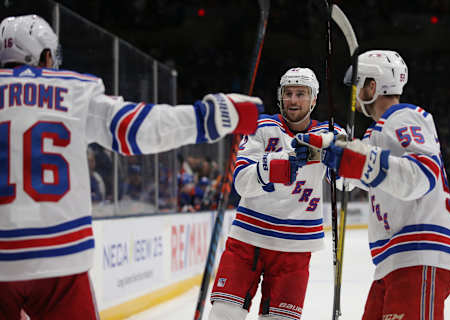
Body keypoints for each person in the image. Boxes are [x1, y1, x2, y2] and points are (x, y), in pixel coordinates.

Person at [0, 14, 263, 319]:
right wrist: (216, 116)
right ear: (45, 55)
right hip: (60, 260)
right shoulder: (72, 92)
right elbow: (139, 129)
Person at [295, 50, 450, 319]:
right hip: (394, 258)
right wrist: (323, 153)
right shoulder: (376, 132)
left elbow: (420, 176)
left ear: (372, 86)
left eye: (358, 84)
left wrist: (353, 159)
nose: (354, 93)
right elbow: (356, 176)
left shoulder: (404, 116)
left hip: (420, 249)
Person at [208, 67, 347, 320]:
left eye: (301, 94)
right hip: (248, 239)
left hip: (295, 247)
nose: (293, 100)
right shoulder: (261, 126)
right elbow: (241, 181)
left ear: (314, 99)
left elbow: (347, 185)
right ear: (280, 96)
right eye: (289, 93)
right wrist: (279, 164)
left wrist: (345, 158)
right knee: (222, 315)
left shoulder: (330, 135)